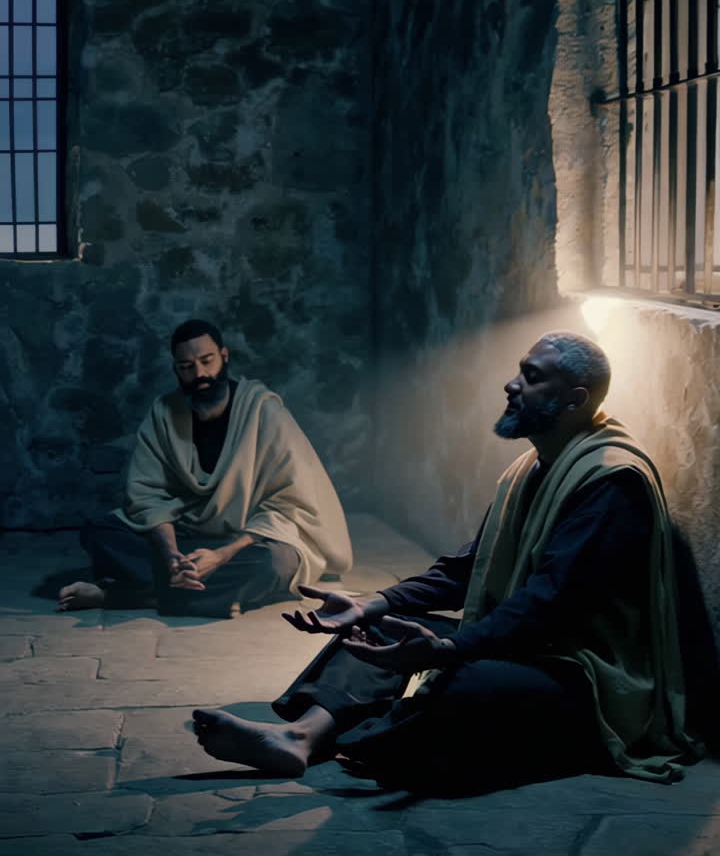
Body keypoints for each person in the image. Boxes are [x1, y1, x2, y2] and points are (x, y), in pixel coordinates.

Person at [192, 331, 702, 791]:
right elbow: (466, 569)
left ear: (575, 400)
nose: (511, 385)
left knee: (467, 685)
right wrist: (372, 603)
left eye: (531, 377)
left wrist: (447, 649)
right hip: (534, 649)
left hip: (589, 678)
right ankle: (301, 737)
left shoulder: (610, 482)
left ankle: (364, 738)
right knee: (385, 628)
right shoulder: (531, 468)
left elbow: (546, 606)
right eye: (518, 370)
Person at [58, 319, 352, 618]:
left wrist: (221, 556)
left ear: (224, 356)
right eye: (186, 366)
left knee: (276, 563)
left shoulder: (264, 412)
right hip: (187, 537)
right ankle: (209, 592)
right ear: (176, 369)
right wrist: (172, 555)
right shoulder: (164, 413)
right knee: (101, 532)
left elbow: (289, 504)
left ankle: (124, 596)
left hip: (246, 540)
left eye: (206, 361)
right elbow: (148, 496)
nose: (199, 374)